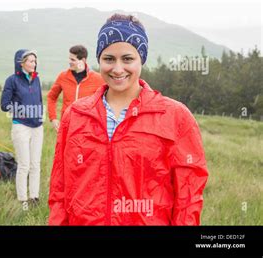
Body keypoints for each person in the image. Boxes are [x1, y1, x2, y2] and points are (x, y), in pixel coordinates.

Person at [48, 14, 209, 225]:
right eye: (108, 59)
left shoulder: (175, 117)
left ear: (141, 58)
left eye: (127, 59)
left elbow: (188, 198)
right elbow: (59, 189)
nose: (117, 69)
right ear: (98, 60)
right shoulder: (75, 115)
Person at [0, 49, 44, 210]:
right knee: (24, 164)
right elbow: (4, 105)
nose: (34, 64)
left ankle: (34, 196)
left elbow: (39, 100)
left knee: (35, 164)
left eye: (35, 61)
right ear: (21, 62)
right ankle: (22, 199)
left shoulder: (36, 79)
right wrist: (23, 110)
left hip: (38, 127)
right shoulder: (12, 80)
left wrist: (39, 114)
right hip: (21, 126)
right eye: (31, 61)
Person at [47, 45, 105, 131]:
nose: (69, 62)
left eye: (73, 60)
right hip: (67, 126)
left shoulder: (98, 79)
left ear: (83, 60)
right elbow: (51, 97)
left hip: (88, 127)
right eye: (69, 59)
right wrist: (53, 118)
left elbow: (110, 99)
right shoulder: (63, 77)